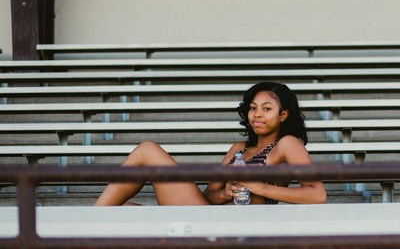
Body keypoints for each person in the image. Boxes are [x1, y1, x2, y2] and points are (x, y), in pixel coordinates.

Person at [94, 81, 327, 206]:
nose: (257, 114)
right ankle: (93, 225)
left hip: (237, 232)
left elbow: (317, 195)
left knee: (148, 151)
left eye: (267, 109)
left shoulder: (287, 144)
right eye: (253, 108)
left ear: (283, 115)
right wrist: (226, 194)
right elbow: (208, 197)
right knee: (125, 211)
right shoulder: (239, 149)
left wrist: (259, 187)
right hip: (210, 220)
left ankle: (87, 226)